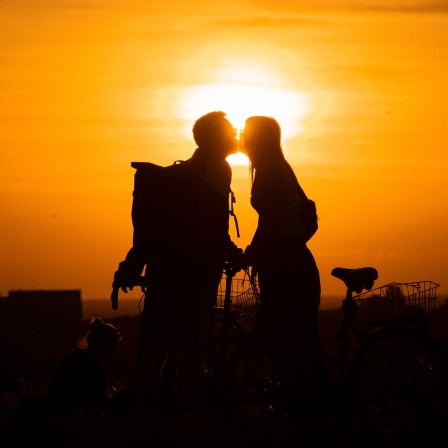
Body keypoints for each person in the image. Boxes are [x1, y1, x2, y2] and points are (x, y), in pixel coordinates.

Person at [112, 111, 243, 444]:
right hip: (194, 277)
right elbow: (213, 223)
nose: (236, 133)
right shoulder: (217, 168)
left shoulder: (181, 173)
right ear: (215, 138)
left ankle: (145, 425)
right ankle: (191, 427)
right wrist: (234, 253)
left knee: (154, 352)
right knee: (190, 352)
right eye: (229, 129)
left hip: (163, 273)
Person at [240, 116, 331, 432]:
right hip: (295, 262)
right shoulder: (280, 169)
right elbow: (307, 216)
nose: (240, 135)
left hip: (285, 269)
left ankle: (305, 408)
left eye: (245, 132)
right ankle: (319, 410)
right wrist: (292, 244)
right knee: (304, 342)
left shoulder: (271, 172)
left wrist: (258, 251)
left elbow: (270, 222)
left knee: (278, 339)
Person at [44, 317, 130, 446]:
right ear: (103, 344)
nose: (114, 353)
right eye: (113, 347)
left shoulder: (74, 357)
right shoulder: (93, 366)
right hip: (65, 424)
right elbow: (94, 406)